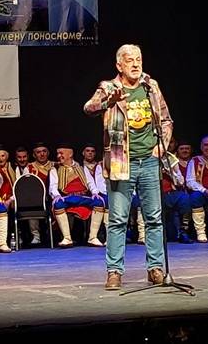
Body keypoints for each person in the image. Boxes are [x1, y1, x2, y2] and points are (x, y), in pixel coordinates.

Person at [84, 43, 172, 290]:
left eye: (138, 59)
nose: (135, 64)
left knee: (154, 218)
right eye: (130, 60)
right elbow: (88, 108)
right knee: (118, 219)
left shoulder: (151, 86)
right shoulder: (108, 88)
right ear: (119, 65)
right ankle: (114, 271)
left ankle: (155, 268)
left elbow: (166, 120)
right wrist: (108, 102)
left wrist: (162, 145)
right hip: (121, 162)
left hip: (150, 161)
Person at [49, 143, 106, 247]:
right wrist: (56, 196)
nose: (58, 156)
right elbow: (53, 186)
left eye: (61, 153)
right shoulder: (55, 168)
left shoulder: (81, 167)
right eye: (57, 154)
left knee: (99, 202)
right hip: (67, 198)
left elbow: (90, 182)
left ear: (70, 154)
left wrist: (94, 192)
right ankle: (67, 238)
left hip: (82, 197)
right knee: (58, 204)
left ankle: (93, 238)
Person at [25, 142, 55, 245]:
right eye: (38, 152)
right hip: (36, 200)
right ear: (34, 155)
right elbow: (25, 188)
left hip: (52, 198)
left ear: (48, 153)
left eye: (44, 151)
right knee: (30, 206)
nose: (42, 154)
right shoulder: (29, 168)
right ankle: (36, 236)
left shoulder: (55, 166)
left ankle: (58, 235)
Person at [82, 143, 109, 241]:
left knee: (107, 201)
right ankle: (92, 237)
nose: (90, 153)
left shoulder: (100, 165)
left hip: (100, 193)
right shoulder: (79, 166)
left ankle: (107, 236)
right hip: (86, 194)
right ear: (83, 153)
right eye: (88, 151)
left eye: (92, 151)